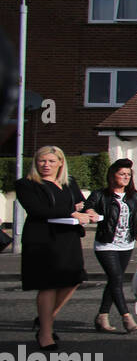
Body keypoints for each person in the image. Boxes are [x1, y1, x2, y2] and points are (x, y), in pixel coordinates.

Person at [16, 146, 98, 350]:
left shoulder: (68, 182)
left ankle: (46, 318)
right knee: (48, 285)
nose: (46, 165)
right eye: (42, 161)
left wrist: (89, 210)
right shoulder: (26, 184)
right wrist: (72, 212)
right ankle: (45, 333)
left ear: (61, 162)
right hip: (42, 239)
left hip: (68, 238)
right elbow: (38, 210)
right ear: (36, 162)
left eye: (51, 161)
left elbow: (81, 201)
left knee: (74, 279)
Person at [85, 158, 137, 333]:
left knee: (114, 281)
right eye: (122, 174)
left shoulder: (133, 195)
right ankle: (126, 317)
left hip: (126, 244)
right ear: (112, 175)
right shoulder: (100, 195)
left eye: (128, 174)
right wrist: (90, 212)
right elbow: (88, 208)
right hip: (106, 244)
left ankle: (102, 316)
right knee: (117, 280)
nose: (126, 177)